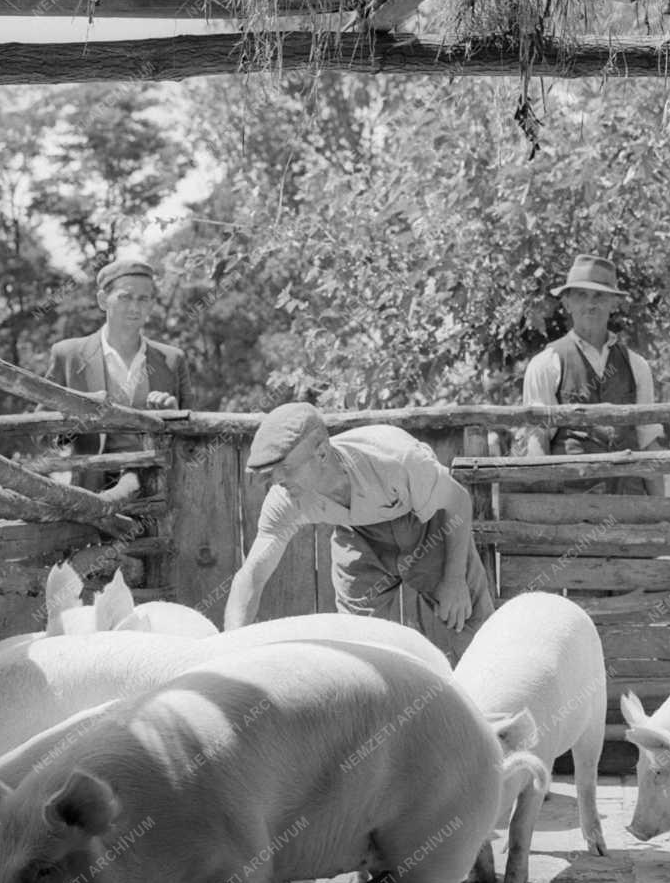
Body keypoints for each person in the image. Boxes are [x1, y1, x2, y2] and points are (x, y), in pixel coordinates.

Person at [224, 403, 494, 663]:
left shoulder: (395, 459)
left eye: (286, 469)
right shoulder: (285, 496)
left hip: (426, 528)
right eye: (273, 472)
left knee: (469, 622)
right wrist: (229, 649)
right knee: (361, 647)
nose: (277, 481)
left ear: (321, 453)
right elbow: (252, 575)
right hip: (359, 539)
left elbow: (458, 501)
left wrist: (455, 579)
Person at [522, 253, 664, 492]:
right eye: (581, 295)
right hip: (572, 510)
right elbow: (538, 443)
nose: (591, 304)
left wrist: (661, 512)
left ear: (614, 303)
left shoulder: (636, 365)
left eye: (599, 295)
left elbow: (648, 441)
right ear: (567, 303)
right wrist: (547, 512)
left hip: (630, 510)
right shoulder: (546, 363)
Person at [47, 259, 191, 493]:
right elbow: (43, 435)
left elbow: (192, 441)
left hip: (159, 489)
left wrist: (173, 417)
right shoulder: (68, 355)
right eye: (125, 297)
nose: (135, 308)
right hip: (92, 493)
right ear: (103, 300)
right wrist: (68, 424)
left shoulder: (173, 360)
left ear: (152, 304)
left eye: (144, 299)